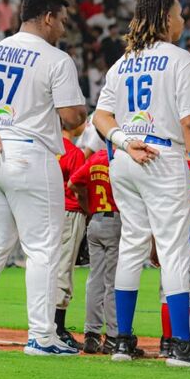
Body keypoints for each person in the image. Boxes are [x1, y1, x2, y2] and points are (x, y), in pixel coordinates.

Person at [92, 0, 190, 367]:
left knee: (132, 246)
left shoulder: (122, 63)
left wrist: (123, 141)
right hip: (162, 156)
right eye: (179, 14)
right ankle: (181, 345)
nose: (182, 20)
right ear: (166, 18)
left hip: (126, 156)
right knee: (173, 250)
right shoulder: (179, 58)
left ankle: (121, 341)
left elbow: (100, 116)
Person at [0, 0, 88, 355]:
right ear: (47, 17)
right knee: (43, 249)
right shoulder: (56, 59)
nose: (63, 28)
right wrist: (78, 112)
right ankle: (42, 337)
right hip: (31, 154)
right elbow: (73, 117)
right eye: (61, 20)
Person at [69, 144, 120, 355]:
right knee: (113, 281)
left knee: (95, 279)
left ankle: (91, 334)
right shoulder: (120, 159)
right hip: (115, 221)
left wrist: (87, 206)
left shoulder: (95, 158)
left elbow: (73, 183)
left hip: (96, 220)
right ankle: (113, 337)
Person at [54, 122, 87, 349]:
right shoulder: (74, 152)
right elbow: (78, 187)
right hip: (69, 212)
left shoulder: (46, 147)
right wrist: (88, 209)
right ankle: (57, 328)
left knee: (47, 267)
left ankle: (43, 324)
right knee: (63, 269)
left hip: (45, 212)